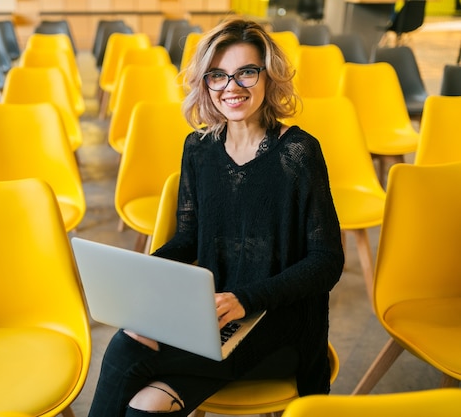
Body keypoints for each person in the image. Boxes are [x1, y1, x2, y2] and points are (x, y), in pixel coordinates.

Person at [87, 17, 344, 417]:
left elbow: (326, 262)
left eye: (246, 72)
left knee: (134, 367)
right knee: (140, 386)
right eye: (218, 76)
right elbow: (189, 238)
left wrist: (246, 299)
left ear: (268, 76)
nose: (232, 87)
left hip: (280, 322)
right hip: (216, 313)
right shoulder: (199, 148)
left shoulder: (299, 153)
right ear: (205, 83)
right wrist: (142, 282)